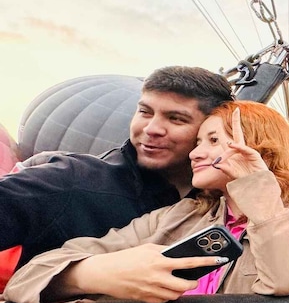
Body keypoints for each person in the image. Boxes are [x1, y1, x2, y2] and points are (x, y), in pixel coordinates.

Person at [3, 101, 289, 303]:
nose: (195, 153)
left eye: (213, 140)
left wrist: (258, 192)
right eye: (197, 142)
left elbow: (286, 279)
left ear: (258, 146)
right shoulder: (179, 216)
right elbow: (29, 276)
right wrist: (91, 274)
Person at [0, 66, 233, 268]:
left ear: (210, 128)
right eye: (145, 112)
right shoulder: (71, 180)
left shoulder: (224, 202)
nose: (152, 128)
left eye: (176, 119)